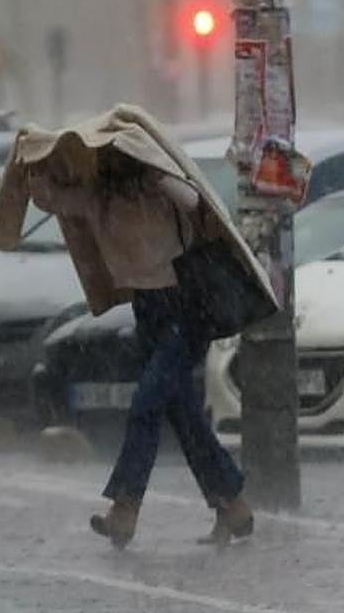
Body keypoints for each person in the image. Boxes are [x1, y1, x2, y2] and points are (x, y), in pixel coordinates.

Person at [29, 148, 253, 548]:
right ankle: (232, 505)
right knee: (184, 416)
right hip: (148, 310)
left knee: (146, 404)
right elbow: (55, 202)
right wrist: (37, 165)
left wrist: (156, 172)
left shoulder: (159, 184)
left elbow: (195, 202)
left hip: (187, 306)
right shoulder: (102, 194)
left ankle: (125, 507)